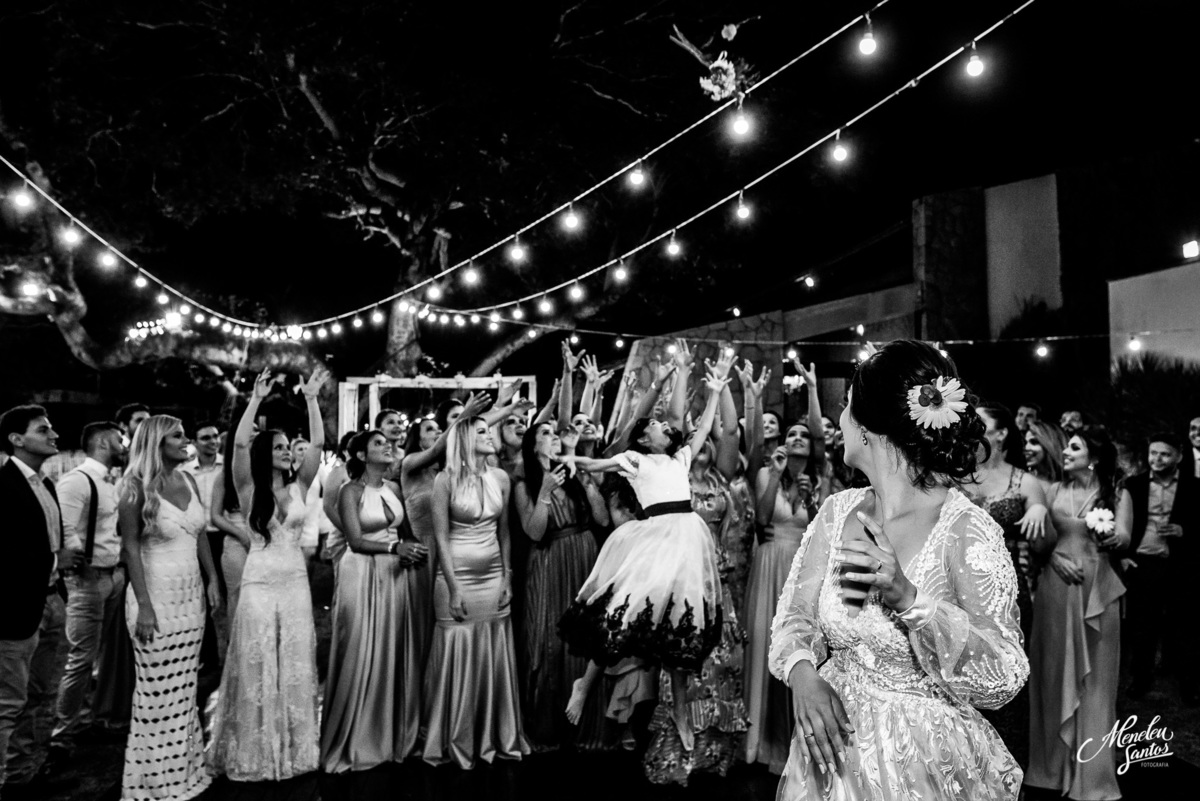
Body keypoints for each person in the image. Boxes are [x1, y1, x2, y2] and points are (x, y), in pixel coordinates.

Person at [769, 340, 1027, 800]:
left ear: (868, 428)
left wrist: (910, 599)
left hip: (923, 761)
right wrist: (804, 674)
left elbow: (1004, 673)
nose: (841, 421)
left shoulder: (965, 528)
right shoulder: (836, 511)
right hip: (832, 756)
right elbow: (795, 617)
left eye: (846, 407)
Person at [560, 354, 727, 752]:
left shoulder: (679, 458)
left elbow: (702, 429)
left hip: (687, 538)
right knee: (624, 611)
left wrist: (717, 393)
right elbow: (596, 462)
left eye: (663, 423)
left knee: (684, 624)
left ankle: (681, 707)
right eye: (654, 424)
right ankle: (585, 683)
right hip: (654, 539)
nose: (662, 425)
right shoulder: (634, 460)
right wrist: (572, 456)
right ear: (642, 439)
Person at [208, 368, 327, 781]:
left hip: (294, 582)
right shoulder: (247, 488)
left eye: (284, 446)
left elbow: (318, 443)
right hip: (258, 581)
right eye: (277, 446)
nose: (285, 451)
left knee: (293, 658)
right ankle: (256, 748)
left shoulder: (300, 486)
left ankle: (295, 747)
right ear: (265, 454)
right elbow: (239, 442)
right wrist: (254, 400)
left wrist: (311, 398)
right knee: (257, 658)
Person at [1026, 425, 1131, 800]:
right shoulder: (1052, 491)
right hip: (1056, 591)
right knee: (1053, 676)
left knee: (1096, 684)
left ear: (1095, 456)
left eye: (1074, 447)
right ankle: (1050, 770)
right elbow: (1041, 543)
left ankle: (1092, 776)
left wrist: (1110, 537)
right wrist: (1053, 555)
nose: (1065, 452)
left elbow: (1124, 536)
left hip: (1097, 592)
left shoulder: (1116, 493)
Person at [320, 425, 433, 771]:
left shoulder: (395, 487)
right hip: (362, 571)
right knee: (362, 648)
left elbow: (405, 531)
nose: (388, 447)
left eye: (388, 442)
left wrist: (411, 550)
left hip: (394, 573)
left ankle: (393, 731)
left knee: (392, 648)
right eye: (378, 443)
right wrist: (394, 547)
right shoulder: (348, 491)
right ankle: (357, 735)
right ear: (360, 455)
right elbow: (354, 540)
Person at [119, 415, 219, 801]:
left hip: (190, 597)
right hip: (155, 598)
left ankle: (185, 772)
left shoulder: (188, 479)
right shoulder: (134, 486)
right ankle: (154, 782)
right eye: (177, 435)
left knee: (184, 689)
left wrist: (212, 579)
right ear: (157, 442)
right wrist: (144, 606)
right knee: (156, 692)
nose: (186, 440)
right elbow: (130, 548)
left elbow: (200, 537)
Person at [423, 415, 530, 768]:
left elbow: (505, 534)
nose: (490, 435)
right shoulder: (445, 479)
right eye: (482, 431)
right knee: (458, 650)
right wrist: (452, 588)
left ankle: (495, 735)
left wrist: (508, 578)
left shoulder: (500, 478)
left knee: (493, 652)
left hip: (494, 576)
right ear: (467, 439)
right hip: (457, 577)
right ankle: (457, 738)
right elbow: (440, 538)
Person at [744, 362, 826, 774]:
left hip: (804, 566)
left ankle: (794, 739)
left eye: (802, 436)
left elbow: (821, 531)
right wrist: (775, 477)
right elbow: (760, 520)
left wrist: (811, 501)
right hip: (769, 559)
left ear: (812, 448)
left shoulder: (822, 481)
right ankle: (760, 738)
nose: (795, 438)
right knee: (764, 645)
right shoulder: (764, 472)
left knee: (803, 650)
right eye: (789, 434)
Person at [967, 403, 1056, 769]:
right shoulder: (954, 476)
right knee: (964, 680)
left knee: (1007, 679)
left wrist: (1039, 512)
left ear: (1002, 433)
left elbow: (1045, 545)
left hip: (1007, 595)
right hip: (959, 592)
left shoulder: (1025, 481)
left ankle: (1008, 774)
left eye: (980, 423)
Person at [512, 422, 609, 751]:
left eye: (556, 433)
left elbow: (602, 519)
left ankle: (587, 728)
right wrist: (544, 492)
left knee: (588, 642)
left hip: (585, 557)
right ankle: (549, 729)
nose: (554, 437)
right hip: (551, 561)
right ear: (534, 445)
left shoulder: (573, 472)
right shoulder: (524, 483)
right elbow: (534, 532)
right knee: (550, 642)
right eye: (546, 434)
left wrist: (583, 475)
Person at [0, 405, 79, 798]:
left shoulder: (46, 485)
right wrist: (54, 560)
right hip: (16, 610)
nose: (54, 435)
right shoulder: (3, 485)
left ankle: (24, 776)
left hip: (51, 600)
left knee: (42, 694)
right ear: (17, 439)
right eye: (43, 429)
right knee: (8, 703)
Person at [50, 422, 128, 759]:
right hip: (88, 579)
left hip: (113, 576)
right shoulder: (76, 480)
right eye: (118, 438)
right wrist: (79, 564)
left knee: (101, 656)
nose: (124, 443)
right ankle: (62, 735)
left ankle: (96, 720)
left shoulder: (111, 480)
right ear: (100, 442)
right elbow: (65, 529)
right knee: (80, 658)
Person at [1121, 433, 1197, 701]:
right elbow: (1123, 522)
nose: (1157, 459)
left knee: (1184, 627)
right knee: (1143, 627)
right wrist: (1124, 556)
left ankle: (1188, 685)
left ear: (1178, 455)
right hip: (1143, 563)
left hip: (1180, 565)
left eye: (1164, 454)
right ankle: (1140, 680)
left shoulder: (1194, 486)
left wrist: (1183, 530)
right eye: (1153, 453)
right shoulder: (1135, 484)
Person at [181, 422, 226, 655]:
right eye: (206, 438)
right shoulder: (185, 472)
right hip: (198, 539)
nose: (213, 441)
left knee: (230, 596)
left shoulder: (227, 468)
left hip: (226, 536)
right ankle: (207, 654)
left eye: (216, 436)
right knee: (200, 597)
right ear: (195, 442)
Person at [209, 427, 252, 625]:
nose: (253, 434)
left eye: (256, 430)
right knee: (237, 595)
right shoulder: (225, 476)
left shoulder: (268, 473)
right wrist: (241, 535)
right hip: (237, 543)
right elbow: (215, 516)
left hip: (263, 541)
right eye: (248, 431)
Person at [1023, 420, 1067, 488]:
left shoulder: (1071, 484)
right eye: (1025, 443)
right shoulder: (1022, 481)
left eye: (1034, 442)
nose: (1026, 447)